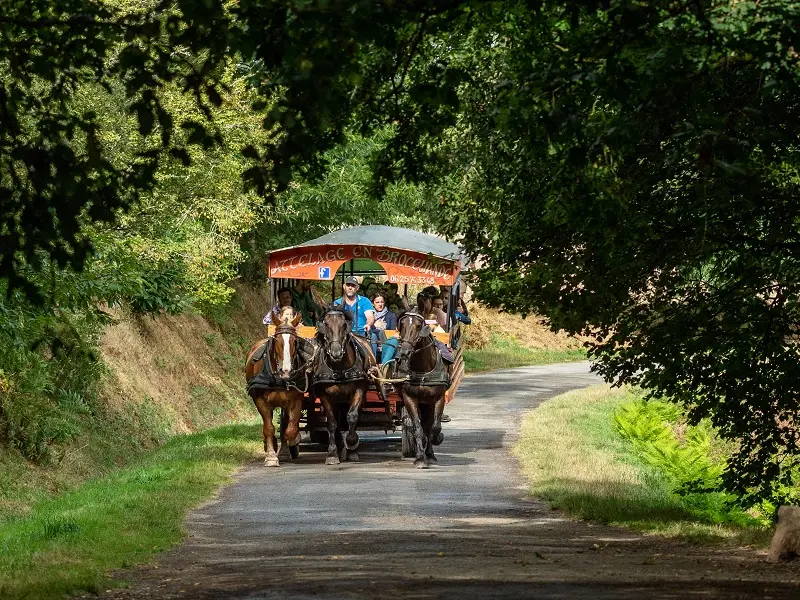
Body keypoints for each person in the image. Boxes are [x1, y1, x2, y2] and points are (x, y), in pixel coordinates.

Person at [371, 293, 397, 362]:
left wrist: (376, 329)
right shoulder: (369, 315)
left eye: (382, 302)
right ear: (373, 304)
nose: (380, 304)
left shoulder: (391, 315)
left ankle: (384, 366)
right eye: (377, 302)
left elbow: (392, 332)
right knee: (373, 336)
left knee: (393, 340)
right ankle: (372, 363)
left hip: (386, 339)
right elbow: (367, 329)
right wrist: (374, 326)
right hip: (371, 339)